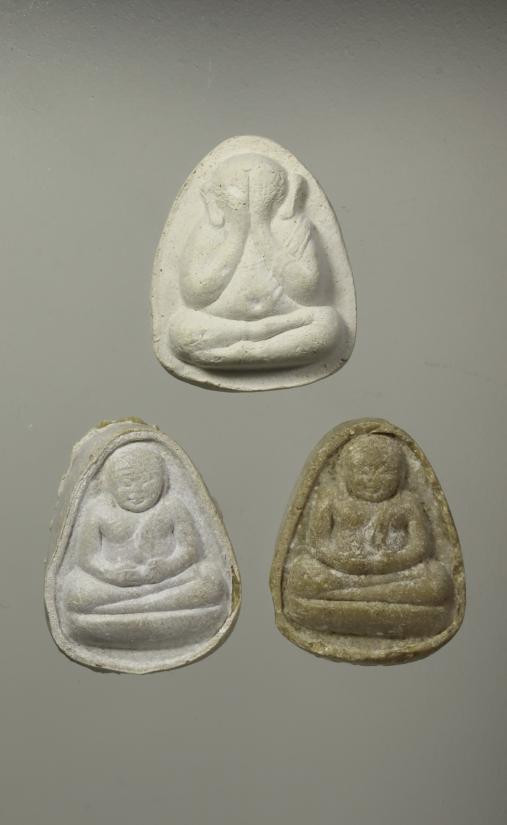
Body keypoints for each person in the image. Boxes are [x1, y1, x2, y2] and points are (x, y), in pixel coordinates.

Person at [169, 153, 340, 369]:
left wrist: (262, 229)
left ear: (283, 196)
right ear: (214, 198)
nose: (249, 196)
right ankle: (260, 345)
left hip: (286, 321)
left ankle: (249, 353)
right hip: (223, 325)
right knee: (181, 331)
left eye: (260, 187)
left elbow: (308, 293)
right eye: (238, 187)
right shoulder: (208, 230)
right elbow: (195, 295)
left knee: (327, 322)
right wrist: (237, 234)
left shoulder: (295, 226)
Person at [285, 435, 454, 638]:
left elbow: (420, 547)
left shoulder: (407, 502)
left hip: (395, 573)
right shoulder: (331, 498)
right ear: (345, 473)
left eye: (386, 471)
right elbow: (316, 544)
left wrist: (392, 561)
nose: (373, 479)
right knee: (302, 572)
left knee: (437, 579)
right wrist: (340, 561)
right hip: (342, 573)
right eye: (364, 471)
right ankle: (373, 601)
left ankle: (346, 600)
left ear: (401, 474)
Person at [61, 443, 227, 650]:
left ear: (163, 480)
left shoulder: (173, 506)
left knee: (210, 578)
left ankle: (125, 608)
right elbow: (86, 559)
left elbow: (190, 551)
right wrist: (111, 573)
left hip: (169, 578)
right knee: (74, 590)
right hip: (116, 584)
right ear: (108, 484)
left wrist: (168, 567)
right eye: (126, 483)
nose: (137, 490)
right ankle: (150, 603)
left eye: (148, 481)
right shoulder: (98, 511)